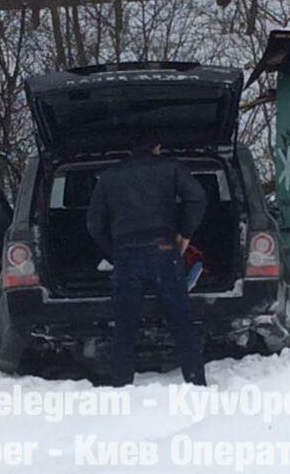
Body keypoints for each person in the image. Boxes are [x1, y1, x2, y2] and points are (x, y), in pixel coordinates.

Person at [86, 131, 208, 387]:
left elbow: (94, 224)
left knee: (124, 325)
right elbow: (197, 197)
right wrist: (184, 234)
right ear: (158, 147)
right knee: (181, 321)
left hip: (126, 255)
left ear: (130, 150)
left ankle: (121, 384)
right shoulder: (171, 168)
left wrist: (113, 252)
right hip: (164, 251)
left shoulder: (109, 177)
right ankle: (196, 381)